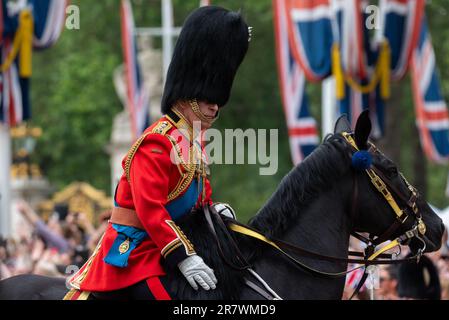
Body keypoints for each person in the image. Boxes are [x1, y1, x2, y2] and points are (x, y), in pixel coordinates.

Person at [65, 5, 249, 300]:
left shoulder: (192, 142)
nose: (216, 106)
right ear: (187, 96)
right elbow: (151, 210)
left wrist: (212, 212)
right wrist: (183, 256)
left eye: (218, 99)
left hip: (166, 243)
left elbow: (198, 198)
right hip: (136, 251)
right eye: (208, 98)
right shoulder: (157, 142)